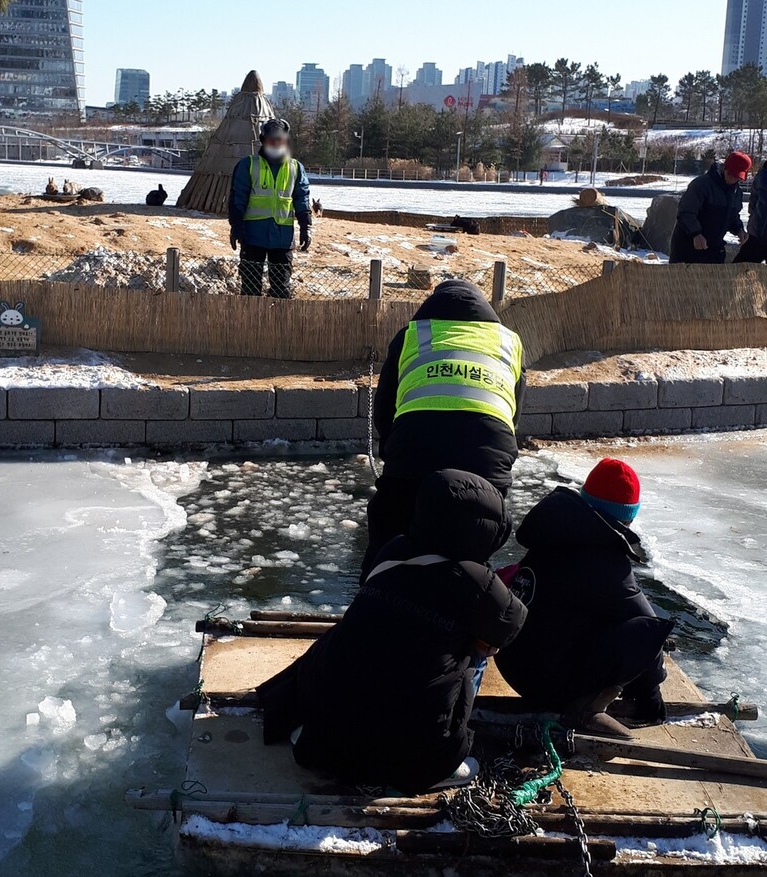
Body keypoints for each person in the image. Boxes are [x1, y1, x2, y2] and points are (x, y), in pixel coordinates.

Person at [257, 470, 528, 795]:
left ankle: (343, 733)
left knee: (376, 633)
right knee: (478, 647)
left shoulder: (393, 550)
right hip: (413, 755)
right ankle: (442, 757)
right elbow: (510, 628)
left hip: (325, 738)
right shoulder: (479, 582)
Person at [495, 459, 673, 739]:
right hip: (543, 682)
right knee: (648, 632)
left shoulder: (554, 529)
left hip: (510, 659)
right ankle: (585, 709)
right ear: (627, 516)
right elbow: (648, 628)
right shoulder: (606, 562)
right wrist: (650, 696)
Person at [361, 279, 525, 579]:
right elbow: (512, 415)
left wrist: (392, 457)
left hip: (414, 452)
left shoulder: (412, 336)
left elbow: (384, 409)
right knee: (470, 546)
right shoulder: (508, 342)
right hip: (487, 465)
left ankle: (375, 603)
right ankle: (469, 603)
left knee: (390, 534)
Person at [228, 118, 312, 298]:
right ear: (262, 140)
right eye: (271, 139)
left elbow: (302, 198)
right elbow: (237, 199)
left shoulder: (295, 168)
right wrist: (235, 227)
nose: (275, 143)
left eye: (279, 139)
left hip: (282, 239)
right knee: (250, 291)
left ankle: (279, 325)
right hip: (252, 236)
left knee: (281, 292)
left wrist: (306, 226)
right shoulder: (248, 165)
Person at [669, 152, 750, 264]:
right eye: (731, 175)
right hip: (688, 247)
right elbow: (686, 213)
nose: (733, 180)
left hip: (714, 249)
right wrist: (696, 234)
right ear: (724, 168)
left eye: (737, 177)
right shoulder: (701, 184)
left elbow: (732, 216)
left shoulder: (736, 193)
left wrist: (739, 229)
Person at [734, 162, 767, 264]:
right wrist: (752, 223)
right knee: (738, 270)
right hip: (757, 234)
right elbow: (753, 200)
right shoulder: (763, 174)